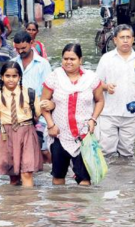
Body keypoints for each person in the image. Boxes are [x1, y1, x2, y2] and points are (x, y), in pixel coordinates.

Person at [41, 43, 104, 186]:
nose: (68, 62)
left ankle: (82, 207)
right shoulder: (54, 77)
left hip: (83, 135)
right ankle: (59, 206)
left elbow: (100, 101)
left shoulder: (91, 79)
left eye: (72, 59)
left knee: (85, 179)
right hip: (59, 133)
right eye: (65, 58)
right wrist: (51, 125)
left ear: (80, 60)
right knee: (58, 176)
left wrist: (93, 120)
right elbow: (43, 103)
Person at [0, 61, 43, 187]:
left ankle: (28, 204)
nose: (11, 79)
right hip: (7, 136)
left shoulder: (30, 94)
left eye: (14, 76)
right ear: (2, 77)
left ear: (19, 77)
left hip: (27, 133)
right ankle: (13, 204)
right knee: (13, 177)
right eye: (7, 76)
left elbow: (38, 113)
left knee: (27, 172)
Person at [96, 24, 135, 157]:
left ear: (133, 39)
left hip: (131, 113)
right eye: (122, 37)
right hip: (108, 113)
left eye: (128, 37)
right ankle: (108, 178)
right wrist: (106, 86)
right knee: (106, 151)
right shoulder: (106, 59)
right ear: (115, 40)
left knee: (127, 152)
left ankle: (126, 177)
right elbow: (96, 83)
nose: (125, 40)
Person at [12, 31, 53, 163]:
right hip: (18, 115)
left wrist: (37, 113)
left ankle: (51, 175)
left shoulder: (43, 64)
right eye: (17, 49)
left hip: (39, 114)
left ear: (31, 43)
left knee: (43, 149)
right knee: (20, 149)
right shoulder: (13, 63)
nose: (20, 52)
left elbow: (48, 91)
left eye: (23, 48)